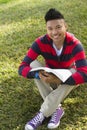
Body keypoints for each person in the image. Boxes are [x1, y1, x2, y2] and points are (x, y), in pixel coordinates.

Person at [18, 8, 87, 130]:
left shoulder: (75, 44)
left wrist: (59, 81)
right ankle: (57, 109)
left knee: (76, 72)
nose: (54, 32)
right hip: (49, 75)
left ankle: (42, 114)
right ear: (46, 29)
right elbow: (22, 67)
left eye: (58, 27)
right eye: (50, 28)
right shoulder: (40, 42)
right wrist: (37, 75)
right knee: (33, 64)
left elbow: (84, 73)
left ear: (66, 26)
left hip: (67, 78)